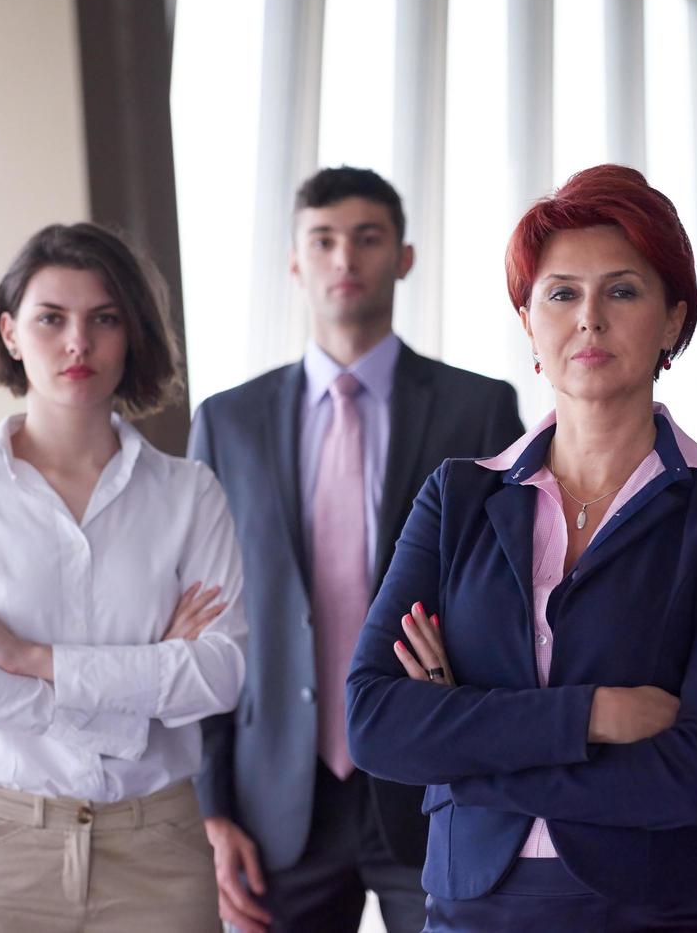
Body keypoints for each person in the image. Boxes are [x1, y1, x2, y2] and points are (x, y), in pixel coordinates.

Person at [346, 164, 697, 932]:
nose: (589, 318)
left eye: (622, 290)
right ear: (528, 323)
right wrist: (592, 715)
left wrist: (463, 754)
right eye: (561, 293)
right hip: (470, 908)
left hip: (659, 912)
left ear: (673, 322)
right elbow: (376, 721)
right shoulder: (458, 498)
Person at [190, 166, 524, 933]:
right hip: (275, 799)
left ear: (403, 256)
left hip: (431, 779)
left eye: (367, 239)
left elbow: (513, 600)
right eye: (324, 240)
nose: (345, 259)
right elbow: (203, 621)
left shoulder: (480, 409)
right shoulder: (227, 422)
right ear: (295, 261)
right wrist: (209, 809)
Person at [0, 223, 247, 932]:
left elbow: (218, 676)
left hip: (158, 852)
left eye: (104, 319)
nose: (77, 344)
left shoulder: (190, 494)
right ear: (9, 333)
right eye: (50, 319)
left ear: (132, 334)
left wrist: (30, 657)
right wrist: (143, 689)